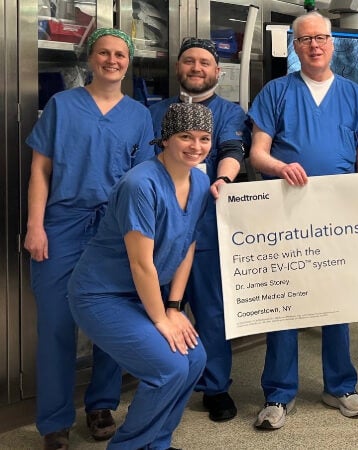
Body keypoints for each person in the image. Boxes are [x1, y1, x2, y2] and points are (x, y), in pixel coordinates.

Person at [247, 11, 358, 430]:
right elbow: (257, 153)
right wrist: (280, 167)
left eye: (321, 38)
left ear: (332, 43)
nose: (314, 45)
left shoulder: (352, 93)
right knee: (285, 301)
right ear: (295, 46)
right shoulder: (277, 91)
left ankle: (340, 386)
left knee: (335, 300)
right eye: (305, 40)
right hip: (287, 211)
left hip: (337, 213)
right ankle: (278, 393)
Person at [24, 27, 155, 449]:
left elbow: (143, 180)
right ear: (90, 59)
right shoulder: (62, 106)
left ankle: (101, 405)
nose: (112, 60)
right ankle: (55, 421)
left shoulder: (139, 116)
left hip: (114, 228)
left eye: (120, 54)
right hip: (62, 224)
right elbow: (40, 170)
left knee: (112, 321)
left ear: (128, 63)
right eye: (104, 53)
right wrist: (35, 225)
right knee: (56, 324)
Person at [67, 102, 210, 450]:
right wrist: (161, 319)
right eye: (185, 136)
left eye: (204, 138)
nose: (196, 146)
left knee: (195, 359)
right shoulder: (140, 185)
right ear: (165, 139)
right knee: (169, 368)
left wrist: (174, 307)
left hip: (143, 293)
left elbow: (187, 245)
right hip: (102, 295)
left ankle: (157, 443)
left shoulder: (200, 181)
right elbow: (141, 264)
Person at [149, 37, 248, 423]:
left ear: (217, 71)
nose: (196, 68)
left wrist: (222, 181)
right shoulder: (154, 112)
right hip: (159, 231)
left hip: (206, 227)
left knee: (211, 312)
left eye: (204, 62)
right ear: (178, 68)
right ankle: (163, 382)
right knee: (157, 310)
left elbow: (232, 151)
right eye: (189, 61)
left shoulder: (229, 113)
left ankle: (216, 387)